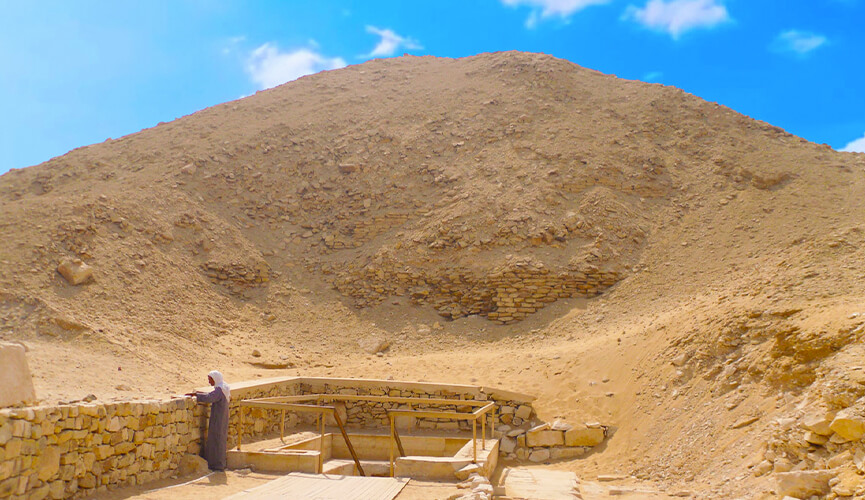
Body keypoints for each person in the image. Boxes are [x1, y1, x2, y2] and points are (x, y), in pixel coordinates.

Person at [189, 371, 230, 471]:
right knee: (219, 440)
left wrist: (196, 396)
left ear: (215, 379)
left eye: (210, 379)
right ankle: (219, 464)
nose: (209, 382)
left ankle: (217, 465)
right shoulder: (224, 387)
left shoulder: (220, 390)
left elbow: (210, 397)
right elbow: (212, 394)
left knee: (216, 440)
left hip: (218, 419)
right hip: (222, 417)